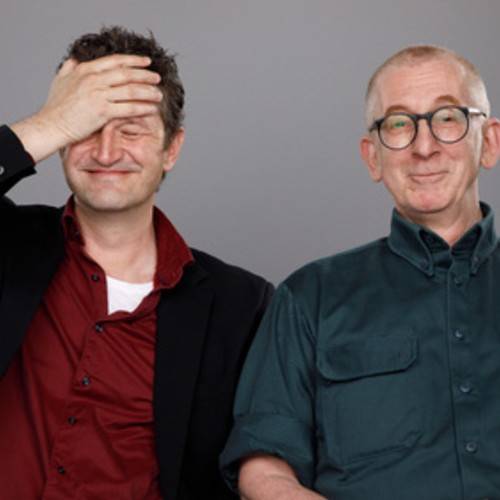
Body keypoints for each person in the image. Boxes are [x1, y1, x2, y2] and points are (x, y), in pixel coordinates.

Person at [0, 26, 272, 500]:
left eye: (131, 131)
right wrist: (50, 123)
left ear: (172, 149)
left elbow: (256, 456)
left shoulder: (241, 305)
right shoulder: (7, 240)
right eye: (87, 127)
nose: (106, 152)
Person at [220, 45, 500, 499]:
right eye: (399, 124)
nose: (424, 147)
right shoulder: (309, 297)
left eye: (447, 118)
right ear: (373, 157)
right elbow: (264, 466)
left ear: (488, 142)